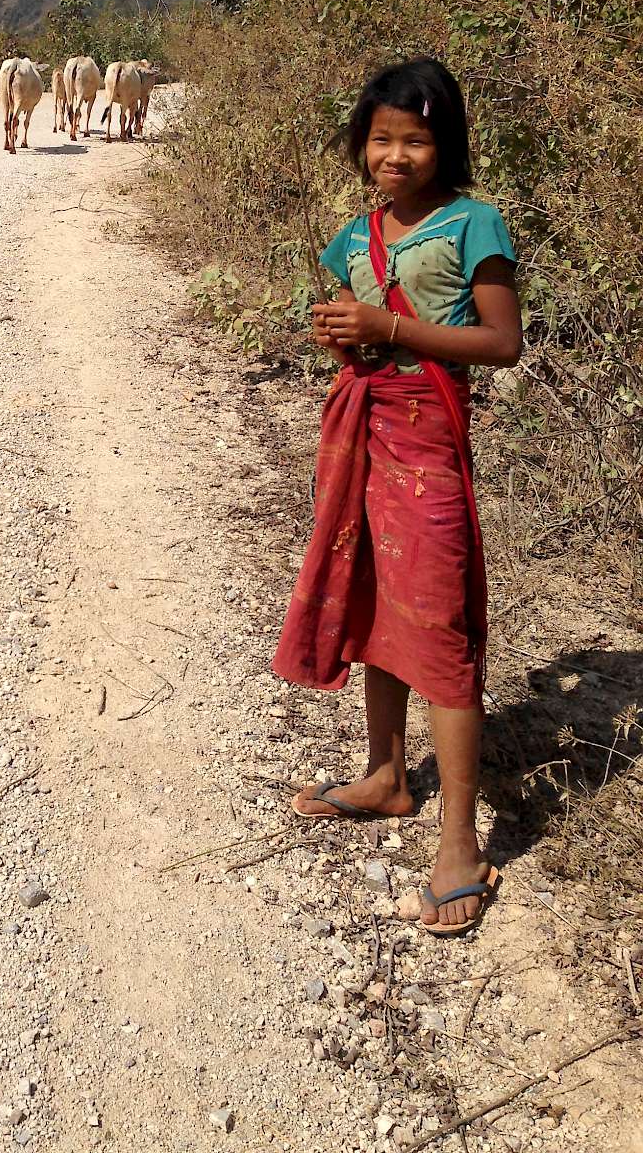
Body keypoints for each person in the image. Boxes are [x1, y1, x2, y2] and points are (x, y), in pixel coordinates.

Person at [272, 57, 522, 936]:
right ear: (361, 145)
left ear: (444, 144)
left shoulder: (474, 225)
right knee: (376, 606)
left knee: (443, 632)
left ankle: (461, 841)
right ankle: (385, 777)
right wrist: (344, 333)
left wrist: (388, 327)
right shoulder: (354, 236)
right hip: (367, 435)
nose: (396, 155)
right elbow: (356, 328)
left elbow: (500, 342)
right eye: (381, 139)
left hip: (430, 445)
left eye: (416, 139)